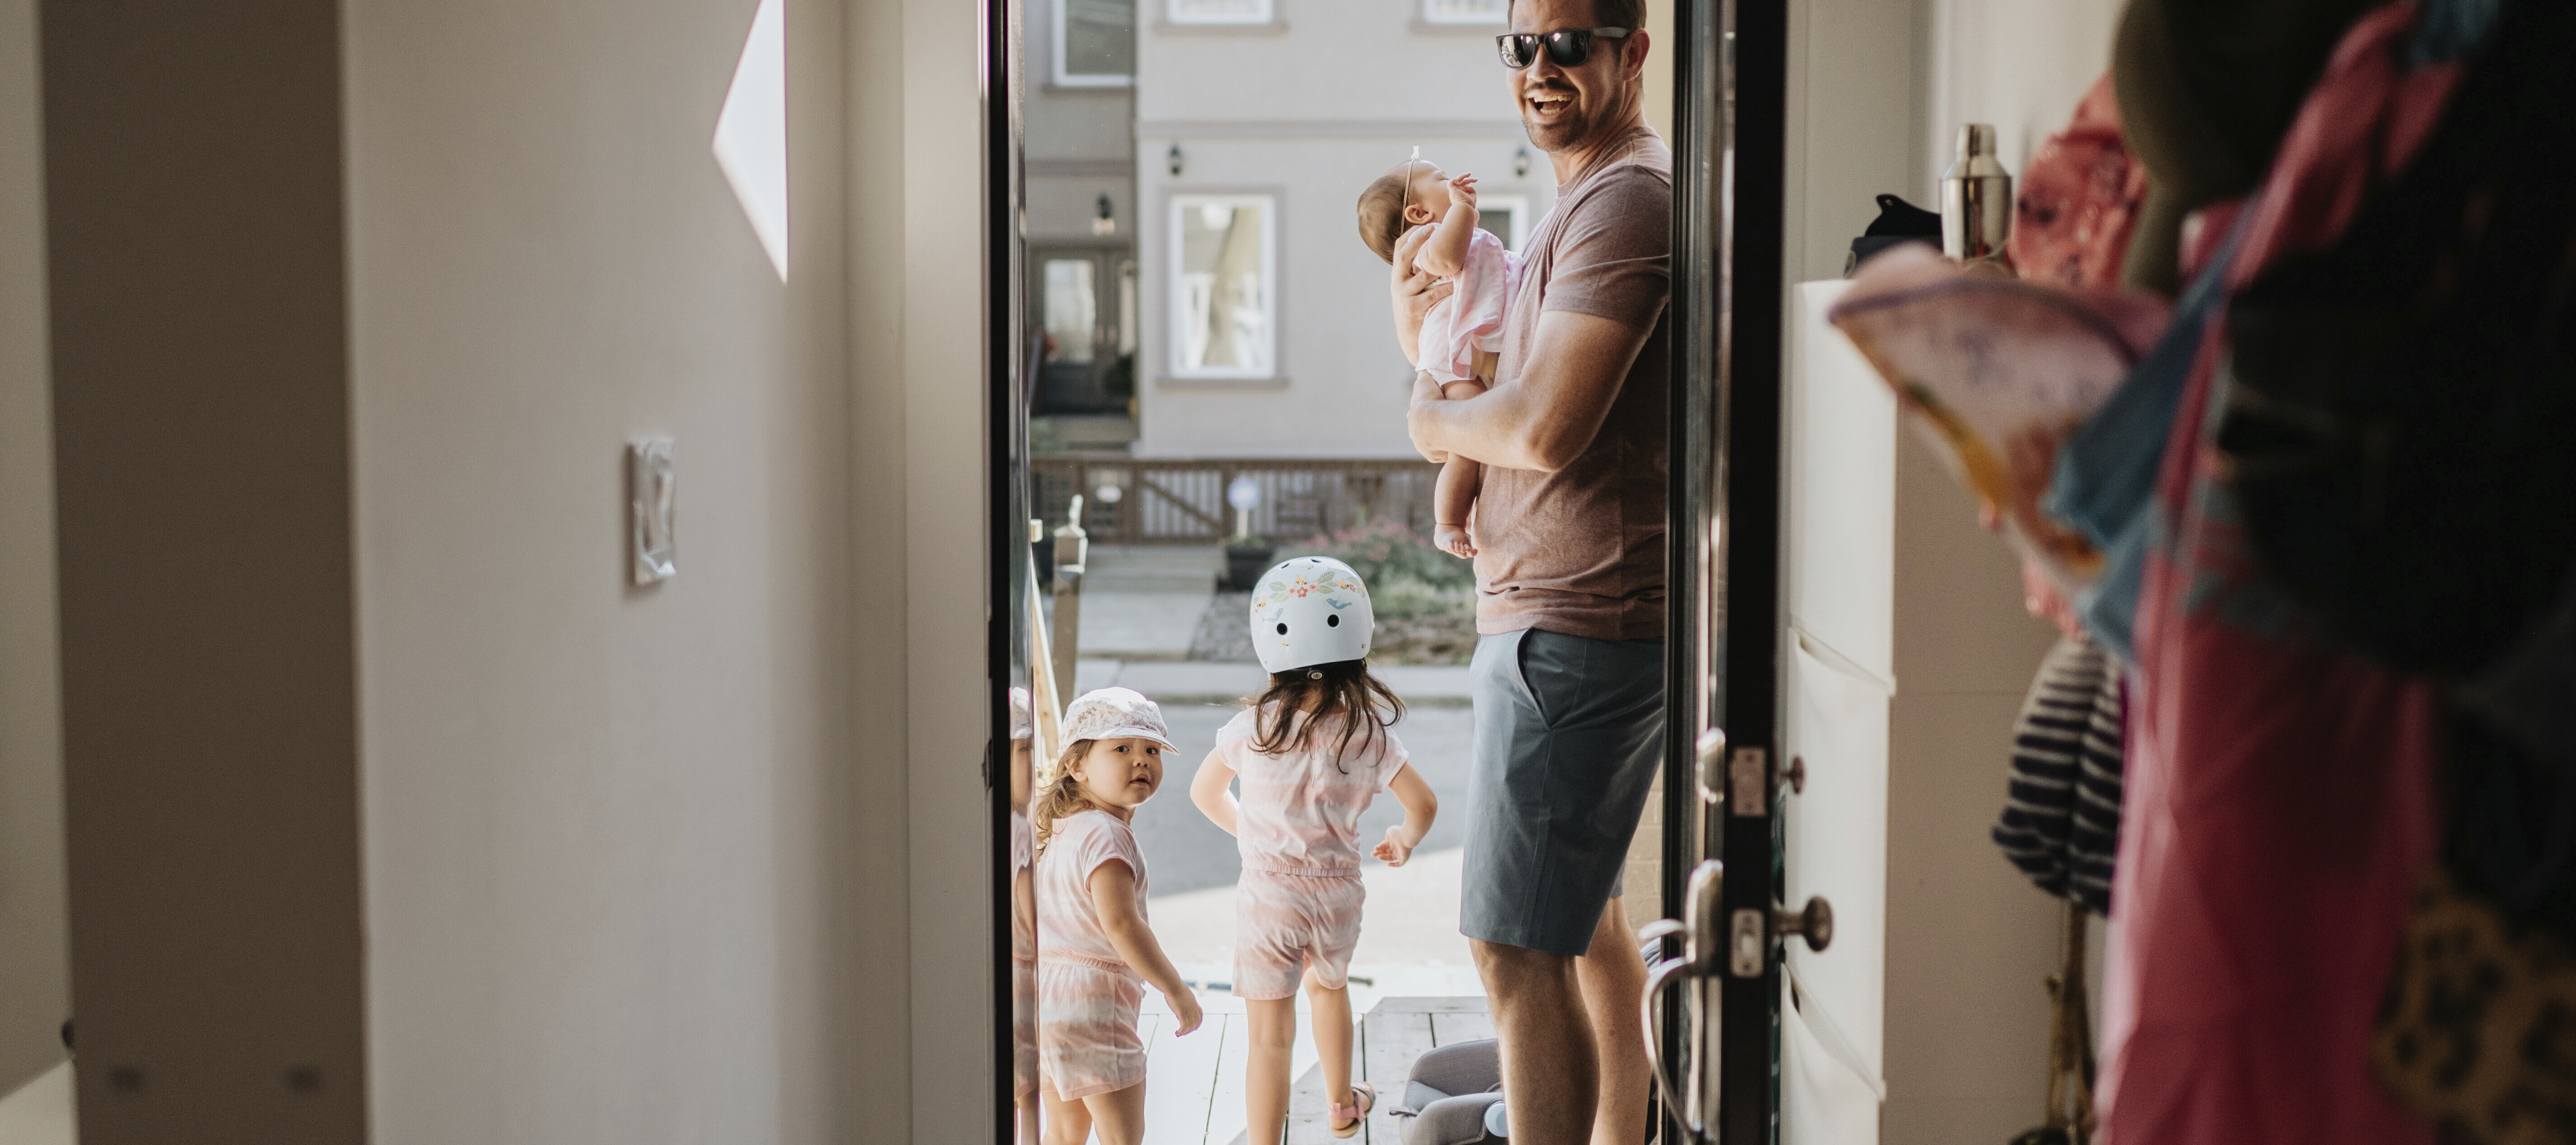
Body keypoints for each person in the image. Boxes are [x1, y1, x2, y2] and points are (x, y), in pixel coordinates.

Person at [1392, 2, 1669, 1143]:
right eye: (1522, 45)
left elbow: (1549, 426)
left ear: (1632, 52)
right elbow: (1510, 388)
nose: (1540, 67)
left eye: (1571, 43)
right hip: (1566, 606)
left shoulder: (1625, 198)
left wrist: (1428, 413)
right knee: (1584, 911)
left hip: (1576, 617)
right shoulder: (1586, 197)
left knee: (1512, 943)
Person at [1190, 557, 1442, 1143]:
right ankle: (1339, 1105)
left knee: (1268, 1036)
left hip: (1267, 895)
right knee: (1329, 988)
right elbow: (1423, 803)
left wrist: (1257, 839)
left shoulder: (1254, 724)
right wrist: (1404, 840)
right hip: (1336, 892)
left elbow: (1206, 793)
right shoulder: (1368, 733)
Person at [1031, 688, 1205, 1145]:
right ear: (1077, 765)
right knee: (1122, 1137)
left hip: (1048, 1001)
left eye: (1152, 750)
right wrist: (1176, 989)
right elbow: (1122, 925)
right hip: (1095, 1002)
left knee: (1064, 1134)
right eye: (1121, 749)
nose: (1141, 761)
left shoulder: (1068, 829)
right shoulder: (1108, 837)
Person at [1358, 156, 1521, 559]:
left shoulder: (1462, 238)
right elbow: (1448, 260)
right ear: (1419, 213)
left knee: (1473, 438)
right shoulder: (1427, 244)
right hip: (1456, 357)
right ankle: (1448, 522)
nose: (1453, 180)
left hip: (1470, 350)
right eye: (1442, 178)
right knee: (1465, 443)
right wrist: (1464, 208)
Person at [1008, 687, 1042, 1145]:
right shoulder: (1017, 830)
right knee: (1027, 1082)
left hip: (1012, 969)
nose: (1032, 764)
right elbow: (1037, 924)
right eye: (1023, 750)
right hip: (1022, 973)